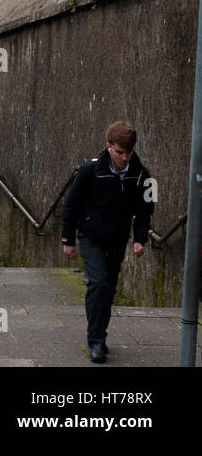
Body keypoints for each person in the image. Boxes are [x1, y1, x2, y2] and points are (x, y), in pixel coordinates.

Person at [60, 121, 154, 364]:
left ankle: (100, 336)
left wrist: (140, 238)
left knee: (108, 288)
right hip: (90, 236)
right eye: (119, 152)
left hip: (118, 239)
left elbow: (146, 210)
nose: (124, 158)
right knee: (98, 282)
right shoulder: (89, 171)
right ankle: (96, 341)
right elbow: (71, 206)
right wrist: (67, 240)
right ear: (108, 147)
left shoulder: (142, 174)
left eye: (128, 153)